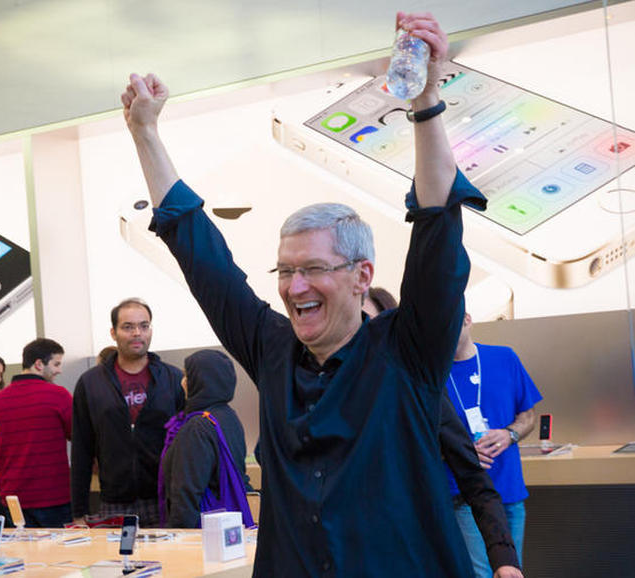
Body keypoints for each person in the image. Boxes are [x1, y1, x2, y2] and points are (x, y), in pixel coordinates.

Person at [121, 11, 514, 575]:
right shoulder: (273, 349)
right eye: (283, 272)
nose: (294, 287)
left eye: (312, 269)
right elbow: (200, 253)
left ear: (361, 275)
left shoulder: (406, 352)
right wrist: (145, 134)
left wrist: (425, 102)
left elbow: (438, 226)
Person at [363, 287, 521, 575]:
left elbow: (474, 480)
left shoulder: (421, 390)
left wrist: (504, 558)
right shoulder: (329, 398)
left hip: (423, 538)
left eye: (367, 321)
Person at [72, 298, 185, 527]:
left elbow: (186, 442)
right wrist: (78, 511)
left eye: (144, 326)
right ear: (113, 333)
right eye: (128, 327)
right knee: (115, 563)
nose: (137, 333)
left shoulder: (172, 378)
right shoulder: (91, 382)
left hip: (164, 500)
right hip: (114, 502)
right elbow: (81, 449)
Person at [446, 312, 542, 577]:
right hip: (463, 495)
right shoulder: (432, 374)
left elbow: (528, 416)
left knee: (512, 570)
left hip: (509, 491)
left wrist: (509, 434)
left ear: (466, 319)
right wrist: (461, 453)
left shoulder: (504, 358)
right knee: (483, 573)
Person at [158, 349, 252, 528]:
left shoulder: (197, 427)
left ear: (202, 381)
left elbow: (186, 494)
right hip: (227, 526)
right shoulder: (228, 417)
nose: (182, 382)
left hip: (202, 534)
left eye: (187, 375)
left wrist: (178, 539)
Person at [0, 338, 72, 528]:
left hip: (12, 500)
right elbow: (79, 436)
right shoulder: (59, 396)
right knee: (59, 556)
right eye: (56, 364)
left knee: (21, 556)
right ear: (39, 364)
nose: (60, 370)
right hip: (54, 497)